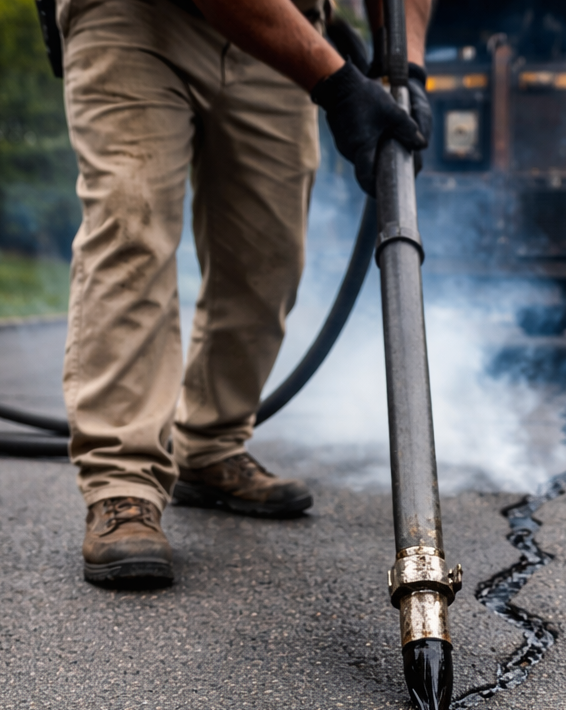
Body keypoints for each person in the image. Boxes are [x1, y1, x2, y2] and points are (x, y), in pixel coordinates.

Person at [56, 0, 432, 589]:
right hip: (136, 18)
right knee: (133, 228)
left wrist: (403, 70)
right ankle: (122, 485)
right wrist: (337, 84)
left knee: (268, 255)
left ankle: (209, 444)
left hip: (282, 30)